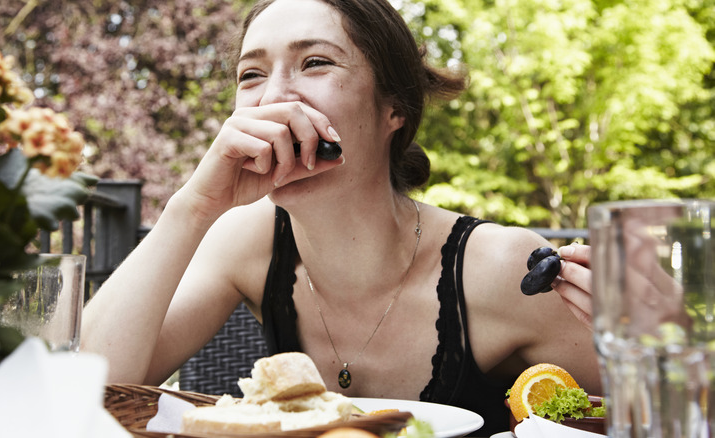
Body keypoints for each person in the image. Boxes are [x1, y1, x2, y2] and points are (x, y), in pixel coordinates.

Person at [81, 0, 600, 435]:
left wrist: (657, 327)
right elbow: (87, 388)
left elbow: (657, 407)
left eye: (315, 63)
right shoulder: (244, 239)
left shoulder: (507, 269)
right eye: (252, 75)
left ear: (393, 109)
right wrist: (192, 206)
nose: (275, 97)